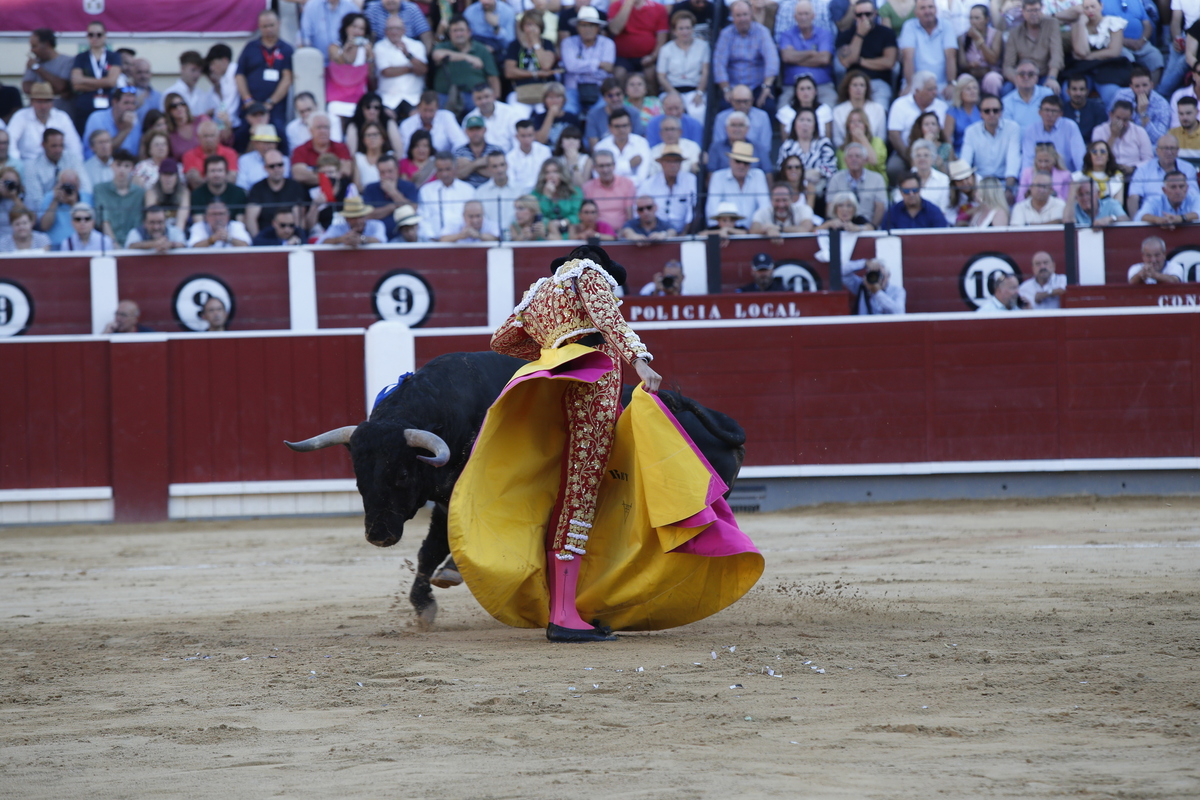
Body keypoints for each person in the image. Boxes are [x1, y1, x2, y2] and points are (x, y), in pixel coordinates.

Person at [456, 244, 756, 643]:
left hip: (565, 400)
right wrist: (641, 359)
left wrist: (557, 352)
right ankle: (563, 615)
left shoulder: (539, 295)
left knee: (569, 494)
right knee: (579, 496)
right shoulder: (588, 273)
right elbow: (609, 318)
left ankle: (565, 606)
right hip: (594, 398)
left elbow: (502, 340)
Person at [713, 0, 780, 117]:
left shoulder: (762, 32)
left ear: (751, 14)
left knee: (768, 106)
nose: (742, 19)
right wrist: (726, 89)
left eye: (745, 14)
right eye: (738, 15)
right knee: (724, 108)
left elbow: (772, 60)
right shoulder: (726, 34)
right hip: (733, 87)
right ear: (732, 17)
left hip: (758, 86)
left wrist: (767, 86)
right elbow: (719, 64)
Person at [235, 11, 294, 139]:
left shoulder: (286, 49)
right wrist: (248, 100)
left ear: (279, 24)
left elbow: (287, 78)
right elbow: (240, 75)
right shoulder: (250, 47)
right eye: (265, 26)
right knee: (241, 136)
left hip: (275, 107)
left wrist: (270, 102)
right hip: (249, 106)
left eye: (271, 25)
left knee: (279, 135)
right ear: (259, 27)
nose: (269, 29)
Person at [887, 71, 949, 183]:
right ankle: (899, 195)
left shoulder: (942, 106)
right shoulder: (900, 104)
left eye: (935, 88)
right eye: (930, 89)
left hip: (938, 151)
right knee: (893, 168)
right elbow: (894, 135)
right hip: (905, 152)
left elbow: (946, 135)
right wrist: (910, 157)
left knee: (949, 168)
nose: (935, 92)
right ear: (917, 91)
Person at [836, 1, 899, 108]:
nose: (863, 18)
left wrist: (860, 61)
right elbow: (847, 61)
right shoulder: (845, 35)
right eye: (859, 15)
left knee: (879, 110)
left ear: (874, 14)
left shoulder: (886, 33)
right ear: (854, 16)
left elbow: (889, 62)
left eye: (867, 14)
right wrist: (860, 34)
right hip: (853, 82)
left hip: (878, 82)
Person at [433, 16, 501, 113]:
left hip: (475, 95)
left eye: (461, 30)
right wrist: (466, 57)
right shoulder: (443, 46)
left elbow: (493, 77)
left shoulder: (481, 49)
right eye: (455, 31)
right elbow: (436, 55)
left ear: (469, 32)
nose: (458, 34)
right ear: (449, 33)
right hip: (446, 95)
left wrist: (496, 99)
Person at [560, 6, 617, 117]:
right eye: (584, 25)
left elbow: (607, 69)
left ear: (598, 28)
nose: (588, 29)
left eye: (592, 25)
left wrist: (580, 66)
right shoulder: (568, 43)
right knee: (568, 111)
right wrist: (598, 64)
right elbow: (571, 66)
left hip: (599, 89)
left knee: (601, 113)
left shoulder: (608, 43)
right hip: (573, 89)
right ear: (577, 27)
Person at [779, 1, 837, 109]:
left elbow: (824, 59)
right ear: (795, 17)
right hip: (792, 87)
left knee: (830, 108)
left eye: (806, 14)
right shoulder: (786, 35)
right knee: (783, 109)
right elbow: (786, 57)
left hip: (822, 86)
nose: (803, 17)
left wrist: (795, 57)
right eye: (800, 14)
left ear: (813, 16)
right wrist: (811, 53)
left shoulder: (824, 34)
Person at [960, 94, 1020, 195]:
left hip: (1004, 182)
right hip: (979, 184)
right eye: (987, 111)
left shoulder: (1012, 128)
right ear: (980, 113)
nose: (991, 114)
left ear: (1001, 112)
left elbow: (1013, 160)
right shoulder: (971, 131)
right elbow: (965, 161)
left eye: (995, 110)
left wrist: (1009, 189)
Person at [69, 21, 124, 133]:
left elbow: (112, 82)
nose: (95, 38)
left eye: (99, 34)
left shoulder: (114, 57)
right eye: (91, 34)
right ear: (87, 36)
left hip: (108, 107)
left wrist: (84, 80)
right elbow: (76, 84)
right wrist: (103, 83)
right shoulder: (80, 57)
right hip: (85, 108)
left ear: (105, 36)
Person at [7, 82, 82, 163]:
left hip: (59, 166)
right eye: (39, 101)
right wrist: (17, 164)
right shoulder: (20, 116)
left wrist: (75, 166)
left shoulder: (62, 117)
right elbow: (10, 142)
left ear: (52, 102)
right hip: (27, 165)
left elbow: (74, 146)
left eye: (47, 101)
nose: (43, 106)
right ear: (31, 102)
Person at [656, 12, 710, 123]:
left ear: (693, 29)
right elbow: (661, 76)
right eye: (681, 28)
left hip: (694, 91)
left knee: (698, 112)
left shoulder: (703, 46)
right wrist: (673, 93)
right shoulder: (666, 49)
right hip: (671, 90)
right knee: (670, 112)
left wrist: (699, 93)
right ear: (674, 31)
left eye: (688, 28)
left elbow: (705, 72)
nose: (685, 32)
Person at [1126, 133, 1199, 215]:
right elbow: (1133, 197)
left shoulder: (1188, 168)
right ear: (1157, 151)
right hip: (1150, 218)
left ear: (1178, 151)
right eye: (1165, 148)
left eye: (1172, 148)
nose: (1169, 152)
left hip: (1182, 217)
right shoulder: (1143, 170)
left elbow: (1194, 196)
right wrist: (1136, 223)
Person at [1001, 0, 1063, 95]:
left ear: (1042, 10)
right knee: (1006, 90)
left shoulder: (1052, 24)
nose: (1034, 14)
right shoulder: (1014, 33)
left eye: (1036, 10)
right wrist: (1018, 81)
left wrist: (1052, 78)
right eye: (1030, 11)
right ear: (1023, 11)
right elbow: (1008, 66)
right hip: (1022, 76)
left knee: (1053, 90)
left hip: (1043, 75)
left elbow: (1056, 55)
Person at [504, 11, 561, 111]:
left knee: (543, 111)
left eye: (536, 25)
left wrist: (536, 44)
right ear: (522, 27)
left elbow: (546, 65)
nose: (532, 29)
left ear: (541, 27)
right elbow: (509, 72)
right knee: (518, 114)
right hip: (520, 90)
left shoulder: (547, 43)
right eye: (529, 25)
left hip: (545, 92)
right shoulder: (515, 45)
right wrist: (536, 73)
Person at [245, 148, 308, 237]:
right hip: (265, 238)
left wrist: (297, 239)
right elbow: (251, 219)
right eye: (272, 166)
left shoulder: (295, 187)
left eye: (280, 165)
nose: (276, 169)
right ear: (265, 168)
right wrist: (258, 242)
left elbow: (299, 219)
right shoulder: (257, 188)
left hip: (291, 237)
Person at [375, 14, 428, 119]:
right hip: (388, 98)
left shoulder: (417, 45)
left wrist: (408, 55)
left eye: (397, 28)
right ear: (385, 31)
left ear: (404, 30)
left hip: (414, 97)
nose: (394, 32)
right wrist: (411, 68)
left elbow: (423, 70)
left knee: (417, 117)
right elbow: (387, 72)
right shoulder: (379, 46)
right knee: (387, 117)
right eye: (390, 29)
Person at [899, 0, 958, 93]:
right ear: (916, 13)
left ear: (936, 10)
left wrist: (951, 83)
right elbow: (908, 57)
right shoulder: (909, 26)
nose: (927, 11)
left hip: (942, 84)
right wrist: (910, 84)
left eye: (930, 7)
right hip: (916, 84)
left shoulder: (947, 26)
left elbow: (950, 56)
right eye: (923, 8)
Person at [705, 141, 771, 225]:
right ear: (730, 161)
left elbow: (765, 207)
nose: (742, 166)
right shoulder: (718, 177)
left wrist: (755, 228)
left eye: (746, 162)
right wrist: (718, 231)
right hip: (725, 233)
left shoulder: (758, 175)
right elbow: (712, 210)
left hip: (754, 233)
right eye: (738, 161)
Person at [326, 13, 375, 125]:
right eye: (354, 26)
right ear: (346, 27)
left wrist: (370, 57)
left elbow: (371, 77)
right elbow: (341, 63)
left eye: (361, 28)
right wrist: (347, 49)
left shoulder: (367, 50)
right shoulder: (334, 47)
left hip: (359, 98)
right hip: (338, 98)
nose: (357, 31)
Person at [637, 144, 697, 232]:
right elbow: (640, 210)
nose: (673, 165)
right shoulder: (649, 184)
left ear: (680, 164)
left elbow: (692, 210)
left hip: (684, 231)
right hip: (655, 233)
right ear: (661, 163)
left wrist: (684, 235)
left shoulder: (691, 180)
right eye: (669, 161)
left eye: (676, 161)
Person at [825, 141, 888, 225]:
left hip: (868, 227)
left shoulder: (877, 179)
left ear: (865, 160)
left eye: (857, 156)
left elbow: (880, 207)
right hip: (841, 227)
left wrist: (872, 228)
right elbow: (830, 206)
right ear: (845, 160)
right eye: (850, 156)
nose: (853, 159)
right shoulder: (836, 178)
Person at [418, 151, 476, 240]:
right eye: (440, 170)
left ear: (456, 169)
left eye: (448, 169)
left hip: (463, 243)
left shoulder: (468, 190)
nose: (444, 174)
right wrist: (433, 238)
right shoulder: (426, 191)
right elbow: (423, 219)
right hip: (434, 244)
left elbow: (474, 218)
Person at [92, 149, 144, 245]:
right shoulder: (100, 189)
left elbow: (139, 223)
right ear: (112, 166)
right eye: (118, 165)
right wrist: (114, 244)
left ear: (132, 168)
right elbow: (104, 220)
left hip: (135, 244)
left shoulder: (139, 192)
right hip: (107, 244)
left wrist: (133, 244)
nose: (122, 170)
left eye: (126, 166)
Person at [712, 85, 773, 166]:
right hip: (726, 162)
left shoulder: (762, 116)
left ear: (752, 101)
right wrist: (736, 163)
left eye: (746, 101)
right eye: (738, 101)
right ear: (731, 101)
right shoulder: (721, 118)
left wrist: (747, 162)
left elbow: (765, 147)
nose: (742, 105)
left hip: (754, 161)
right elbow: (719, 146)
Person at [1021, 96, 1086, 172]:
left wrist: (1080, 177)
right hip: (1039, 178)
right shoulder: (1031, 130)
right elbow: (1028, 160)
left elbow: (1079, 157)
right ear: (1040, 112)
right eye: (1046, 110)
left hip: (1068, 177)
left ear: (1060, 113)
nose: (1050, 114)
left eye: (1054, 111)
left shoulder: (1070, 127)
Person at [1109, 66, 1171, 145]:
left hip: (1147, 144)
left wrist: (1143, 114)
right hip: (1122, 139)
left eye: (1145, 85)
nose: (1141, 90)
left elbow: (1159, 139)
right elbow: (1110, 122)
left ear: (1151, 85)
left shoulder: (1162, 104)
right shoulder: (1121, 95)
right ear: (1131, 87)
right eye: (1137, 86)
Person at [1092, 100, 1153, 179]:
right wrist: (1113, 136)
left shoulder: (1139, 131)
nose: (1121, 123)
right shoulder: (1099, 131)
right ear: (1111, 115)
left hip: (1134, 175)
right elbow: (1097, 156)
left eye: (1125, 120)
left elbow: (1148, 159)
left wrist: (1133, 168)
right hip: (1108, 173)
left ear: (1130, 119)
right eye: (1118, 118)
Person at [22, 28, 75, 116]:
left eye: (34, 46)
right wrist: (56, 91)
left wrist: (37, 68)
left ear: (46, 44)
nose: (31, 50)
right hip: (35, 117)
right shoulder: (33, 62)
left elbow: (61, 86)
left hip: (62, 113)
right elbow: (26, 88)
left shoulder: (67, 61)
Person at [291, 114, 354, 186]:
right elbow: (299, 175)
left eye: (326, 127)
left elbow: (346, 171)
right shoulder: (300, 150)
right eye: (319, 127)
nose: (323, 131)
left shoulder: (341, 147)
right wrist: (331, 177)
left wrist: (314, 174)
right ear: (310, 131)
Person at [398, 92, 469, 155]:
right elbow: (405, 152)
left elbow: (460, 142)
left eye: (431, 110)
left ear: (437, 107)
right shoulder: (406, 125)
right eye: (425, 110)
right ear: (418, 106)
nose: (428, 115)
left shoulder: (447, 117)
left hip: (445, 164)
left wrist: (451, 159)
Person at [583, 149, 638, 230]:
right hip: (599, 234)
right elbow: (588, 217)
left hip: (623, 233)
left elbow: (629, 214)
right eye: (601, 166)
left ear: (614, 166)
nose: (605, 170)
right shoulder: (588, 187)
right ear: (594, 168)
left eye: (608, 165)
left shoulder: (627, 184)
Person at [586, 78, 647, 150]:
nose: (615, 99)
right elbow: (594, 146)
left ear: (623, 95)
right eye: (610, 95)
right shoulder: (594, 115)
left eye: (618, 94)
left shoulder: (634, 113)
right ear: (604, 98)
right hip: (604, 156)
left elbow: (638, 141)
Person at [595, 108, 653, 183]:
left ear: (630, 126)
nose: (621, 130)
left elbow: (642, 178)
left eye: (625, 125)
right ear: (610, 128)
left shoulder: (642, 143)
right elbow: (598, 176)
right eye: (617, 126)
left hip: (636, 192)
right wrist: (628, 165)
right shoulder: (600, 147)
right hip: (608, 193)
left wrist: (612, 174)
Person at [958, 5, 1003, 96]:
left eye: (977, 18)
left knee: (992, 79)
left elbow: (993, 60)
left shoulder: (996, 35)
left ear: (987, 20)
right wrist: (970, 65)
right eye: (971, 18)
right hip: (972, 74)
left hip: (990, 72)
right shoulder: (962, 37)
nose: (973, 22)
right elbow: (962, 64)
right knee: (963, 79)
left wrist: (979, 39)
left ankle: (992, 106)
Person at [182, 120, 238, 191]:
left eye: (212, 135)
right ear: (198, 138)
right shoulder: (189, 155)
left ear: (218, 137)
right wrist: (218, 180)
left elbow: (231, 179)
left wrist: (203, 179)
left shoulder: (230, 153)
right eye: (205, 136)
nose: (209, 139)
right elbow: (194, 183)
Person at [533, 159, 583, 237]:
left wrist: (562, 223)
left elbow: (578, 215)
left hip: (570, 233)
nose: (551, 176)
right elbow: (539, 215)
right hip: (546, 235)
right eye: (547, 172)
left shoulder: (574, 191)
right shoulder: (536, 193)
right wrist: (546, 196)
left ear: (562, 174)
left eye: (555, 172)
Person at [190, 156, 247, 223]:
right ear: (206, 174)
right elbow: (198, 222)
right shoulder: (197, 194)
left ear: (226, 173)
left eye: (220, 170)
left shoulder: (239, 193)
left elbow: (240, 222)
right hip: (205, 230)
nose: (216, 175)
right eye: (212, 171)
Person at [1001, 58, 1055, 130]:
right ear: (1016, 77)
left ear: (1037, 78)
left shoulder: (1047, 94)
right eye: (1022, 74)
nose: (1026, 77)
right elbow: (1008, 130)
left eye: (1031, 74)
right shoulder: (1006, 101)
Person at [476, 151, 522, 232]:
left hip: (516, 236)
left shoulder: (520, 190)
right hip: (490, 237)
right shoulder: (480, 192)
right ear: (488, 169)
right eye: (495, 166)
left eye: (502, 165)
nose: (499, 170)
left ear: (507, 166)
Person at [882, 173, 950, 228]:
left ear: (920, 189)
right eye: (906, 191)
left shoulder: (934, 211)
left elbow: (941, 238)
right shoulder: (892, 213)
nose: (911, 194)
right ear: (900, 192)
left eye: (915, 190)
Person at [1134, 170, 1200, 227]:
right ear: (1164, 190)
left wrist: (1180, 218)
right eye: (1173, 187)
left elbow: (1198, 213)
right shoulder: (1154, 200)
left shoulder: (1195, 199)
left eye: (1181, 186)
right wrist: (1159, 220)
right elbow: (1140, 216)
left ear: (1187, 188)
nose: (1178, 191)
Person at [750, 181, 816, 236]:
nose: (781, 205)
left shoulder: (804, 209)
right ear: (771, 200)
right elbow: (753, 231)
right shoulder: (762, 213)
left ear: (792, 199)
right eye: (777, 200)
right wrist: (767, 230)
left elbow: (806, 229)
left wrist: (777, 229)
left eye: (784, 200)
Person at [472, 83, 524, 153]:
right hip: (483, 161)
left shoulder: (510, 113)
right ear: (473, 100)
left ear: (493, 96)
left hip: (508, 158)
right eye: (479, 98)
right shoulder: (470, 119)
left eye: (486, 97)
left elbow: (518, 142)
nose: (483, 101)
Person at [530, 83, 583, 149]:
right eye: (550, 97)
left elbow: (578, 142)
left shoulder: (572, 117)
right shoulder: (538, 118)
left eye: (558, 97)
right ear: (544, 100)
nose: (554, 101)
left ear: (563, 99)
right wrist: (550, 115)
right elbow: (541, 141)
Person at [506, 120, 554, 192]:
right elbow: (512, 181)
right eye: (523, 136)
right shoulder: (510, 157)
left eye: (530, 135)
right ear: (516, 136)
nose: (527, 140)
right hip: (520, 195)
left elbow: (549, 174)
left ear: (534, 135)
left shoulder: (545, 151)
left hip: (542, 192)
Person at [238, 124, 288, 191]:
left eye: (271, 142)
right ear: (255, 144)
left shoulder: (285, 160)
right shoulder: (244, 160)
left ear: (276, 144)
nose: (267, 146)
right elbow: (242, 186)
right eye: (264, 143)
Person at [317, 196, 386, 245]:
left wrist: (362, 239)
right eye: (354, 217)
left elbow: (381, 240)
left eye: (361, 217)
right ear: (346, 218)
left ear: (365, 216)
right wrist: (341, 239)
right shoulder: (338, 227)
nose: (358, 221)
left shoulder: (377, 225)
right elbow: (321, 242)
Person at [145, 158, 189, 230]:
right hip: (156, 229)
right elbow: (152, 217)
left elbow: (182, 220)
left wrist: (176, 235)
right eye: (165, 174)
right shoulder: (152, 192)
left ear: (176, 176)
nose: (168, 178)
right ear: (160, 176)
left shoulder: (184, 192)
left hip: (177, 230)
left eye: (171, 174)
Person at [1063, 75, 1108, 142]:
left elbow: (1101, 136)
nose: (1078, 93)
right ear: (1068, 91)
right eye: (1074, 89)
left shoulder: (1098, 109)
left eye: (1082, 89)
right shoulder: (1062, 110)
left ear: (1087, 91)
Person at [1170, 95, 1200, 162]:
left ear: (1197, 112)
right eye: (1181, 114)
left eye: (1188, 113)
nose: (1184, 117)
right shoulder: (1172, 134)